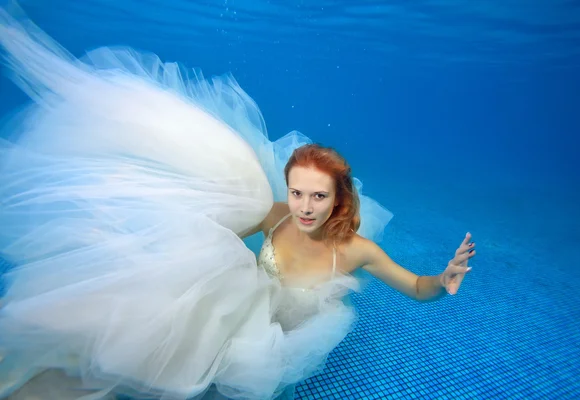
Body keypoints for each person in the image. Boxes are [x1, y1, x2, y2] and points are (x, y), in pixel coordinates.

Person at [0, 8, 474, 400]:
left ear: (338, 199)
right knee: (114, 337)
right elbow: (215, 234)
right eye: (297, 192)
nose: (305, 207)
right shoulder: (275, 215)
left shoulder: (357, 250)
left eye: (319, 196)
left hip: (272, 341)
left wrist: (443, 278)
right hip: (236, 315)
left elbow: (414, 287)